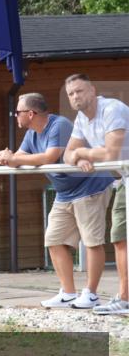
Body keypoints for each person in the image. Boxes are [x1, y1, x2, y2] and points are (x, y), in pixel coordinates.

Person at [0, 92, 114, 309]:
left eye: (18, 113)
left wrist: (13, 158)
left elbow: (48, 157)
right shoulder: (32, 133)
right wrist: (8, 156)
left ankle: (91, 294)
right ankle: (68, 293)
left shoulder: (58, 125)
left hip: (90, 188)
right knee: (53, 239)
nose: (15, 116)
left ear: (30, 114)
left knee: (92, 242)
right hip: (65, 193)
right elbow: (19, 156)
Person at [62, 74, 129, 315]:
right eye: (71, 94)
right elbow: (67, 155)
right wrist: (79, 157)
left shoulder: (112, 109)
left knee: (121, 237)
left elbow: (111, 153)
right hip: (122, 180)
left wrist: (83, 152)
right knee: (120, 238)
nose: (76, 96)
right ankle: (125, 297)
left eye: (79, 91)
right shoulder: (81, 118)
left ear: (92, 90)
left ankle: (125, 298)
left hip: (125, 175)